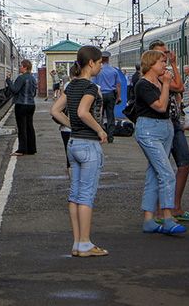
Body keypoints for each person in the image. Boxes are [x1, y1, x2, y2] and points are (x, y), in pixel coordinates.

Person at [50, 46, 109, 257]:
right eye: (100, 62)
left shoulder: (71, 85)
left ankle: (77, 243)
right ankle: (85, 243)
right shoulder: (91, 87)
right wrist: (100, 130)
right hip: (88, 145)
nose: (101, 65)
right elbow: (83, 112)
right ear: (91, 63)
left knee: (74, 194)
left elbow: (55, 111)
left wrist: (71, 125)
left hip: (73, 144)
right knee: (86, 196)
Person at [133, 50, 187, 236]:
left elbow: (179, 87)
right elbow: (161, 106)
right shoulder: (143, 85)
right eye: (161, 62)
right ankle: (167, 217)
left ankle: (148, 219)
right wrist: (165, 84)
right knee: (167, 173)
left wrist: (173, 69)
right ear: (150, 64)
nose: (165, 65)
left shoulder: (159, 81)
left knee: (154, 173)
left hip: (165, 128)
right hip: (149, 130)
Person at [148, 41, 189, 222]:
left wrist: (174, 65)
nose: (165, 56)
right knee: (162, 168)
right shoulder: (156, 75)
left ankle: (175, 207)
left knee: (185, 164)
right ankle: (160, 211)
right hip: (161, 124)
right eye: (161, 54)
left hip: (175, 122)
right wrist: (174, 67)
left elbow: (179, 86)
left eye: (166, 52)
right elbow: (179, 87)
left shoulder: (165, 72)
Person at [6, 59, 38, 156]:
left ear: (25, 67)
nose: (19, 67)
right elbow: (34, 93)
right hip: (31, 105)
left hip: (21, 104)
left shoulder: (21, 78)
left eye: (21, 66)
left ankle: (22, 149)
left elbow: (15, 90)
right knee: (29, 126)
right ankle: (31, 149)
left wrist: (8, 80)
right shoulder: (33, 78)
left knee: (22, 127)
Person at [93, 51, 122, 143]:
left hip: (100, 94)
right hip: (110, 95)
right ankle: (110, 136)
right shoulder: (114, 71)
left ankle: (100, 133)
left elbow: (94, 84)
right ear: (108, 59)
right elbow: (118, 86)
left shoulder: (98, 71)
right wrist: (118, 97)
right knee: (110, 115)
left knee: (99, 114)